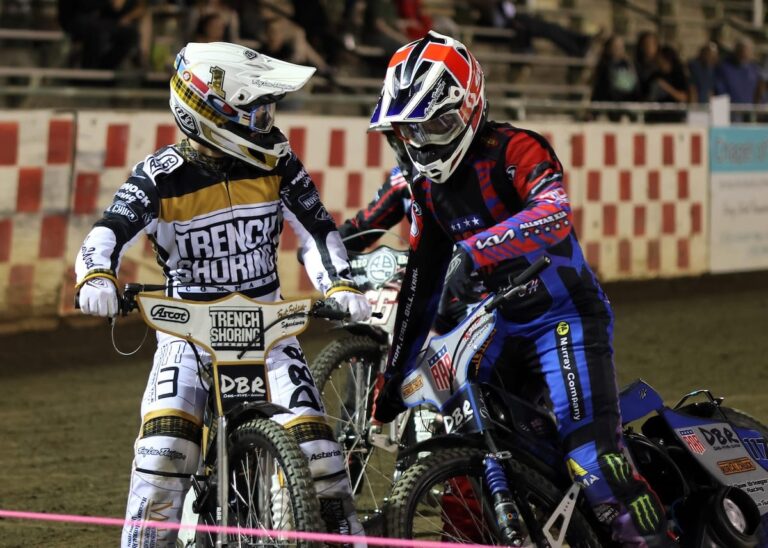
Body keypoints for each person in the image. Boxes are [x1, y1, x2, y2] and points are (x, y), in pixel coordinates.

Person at [370, 31, 672, 547]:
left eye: (435, 125)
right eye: (411, 130)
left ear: (468, 109)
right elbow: (420, 290)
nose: (422, 144)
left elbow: (553, 214)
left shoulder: (516, 148)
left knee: (590, 463)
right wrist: (391, 383)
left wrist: (475, 250)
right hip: (495, 329)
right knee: (452, 439)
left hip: (563, 317)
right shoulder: (425, 187)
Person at [74, 41, 371, 548]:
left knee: (321, 456)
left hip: (269, 328)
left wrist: (339, 283)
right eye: (255, 112)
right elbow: (107, 233)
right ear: (210, 111)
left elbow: (319, 233)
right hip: (187, 330)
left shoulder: (279, 166)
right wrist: (96, 276)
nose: (265, 122)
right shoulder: (160, 176)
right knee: (164, 452)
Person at [644, 45, 689, 123]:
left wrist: (666, 87)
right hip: (655, 118)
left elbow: (683, 97)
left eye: (659, 58)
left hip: (674, 118)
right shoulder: (654, 76)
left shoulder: (678, 75)